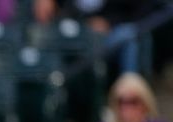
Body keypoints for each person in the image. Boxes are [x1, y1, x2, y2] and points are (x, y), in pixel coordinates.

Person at [31, 0, 159, 74]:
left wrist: (109, 22)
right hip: (74, 33)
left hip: (110, 36)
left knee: (127, 35)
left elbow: (141, 12)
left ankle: (129, 90)